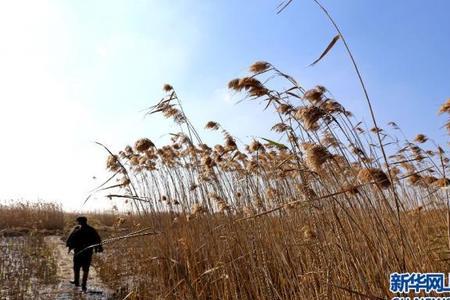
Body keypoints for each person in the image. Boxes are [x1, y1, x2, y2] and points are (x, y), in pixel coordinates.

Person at [66, 216, 103, 292]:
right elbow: (98, 240)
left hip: (80, 252)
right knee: (84, 269)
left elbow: (70, 240)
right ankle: (82, 284)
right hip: (86, 253)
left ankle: (78, 283)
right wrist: (98, 247)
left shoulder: (77, 229)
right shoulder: (91, 230)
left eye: (78, 222)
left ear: (80, 222)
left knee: (77, 267)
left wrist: (70, 246)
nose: (78, 223)